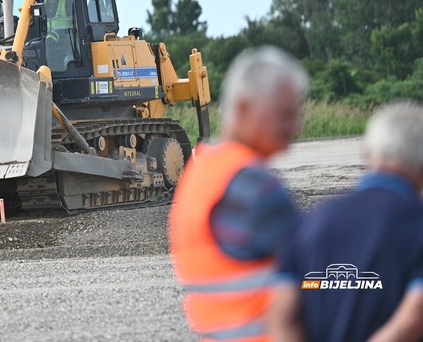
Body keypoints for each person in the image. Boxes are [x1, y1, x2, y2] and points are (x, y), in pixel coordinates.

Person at [169, 46, 308, 342]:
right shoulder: (253, 186)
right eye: (285, 115)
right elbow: (319, 277)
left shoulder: (201, 173)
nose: (295, 127)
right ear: (244, 108)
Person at [270, 102, 423, 342]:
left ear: (368, 153)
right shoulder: (416, 225)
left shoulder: (308, 222)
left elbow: (281, 317)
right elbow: (413, 317)